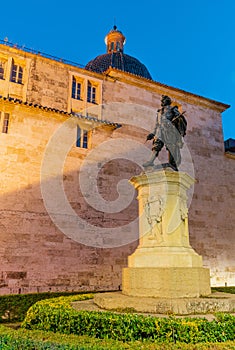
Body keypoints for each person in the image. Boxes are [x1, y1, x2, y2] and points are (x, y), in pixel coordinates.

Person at [143, 95, 187, 170]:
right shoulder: (159, 112)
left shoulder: (173, 108)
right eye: (162, 100)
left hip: (170, 130)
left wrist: (177, 119)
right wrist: (153, 133)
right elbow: (157, 124)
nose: (163, 101)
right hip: (160, 130)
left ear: (168, 101)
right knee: (156, 145)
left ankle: (173, 164)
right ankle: (150, 161)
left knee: (171, 147)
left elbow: (179, 117)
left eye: (165, 100)